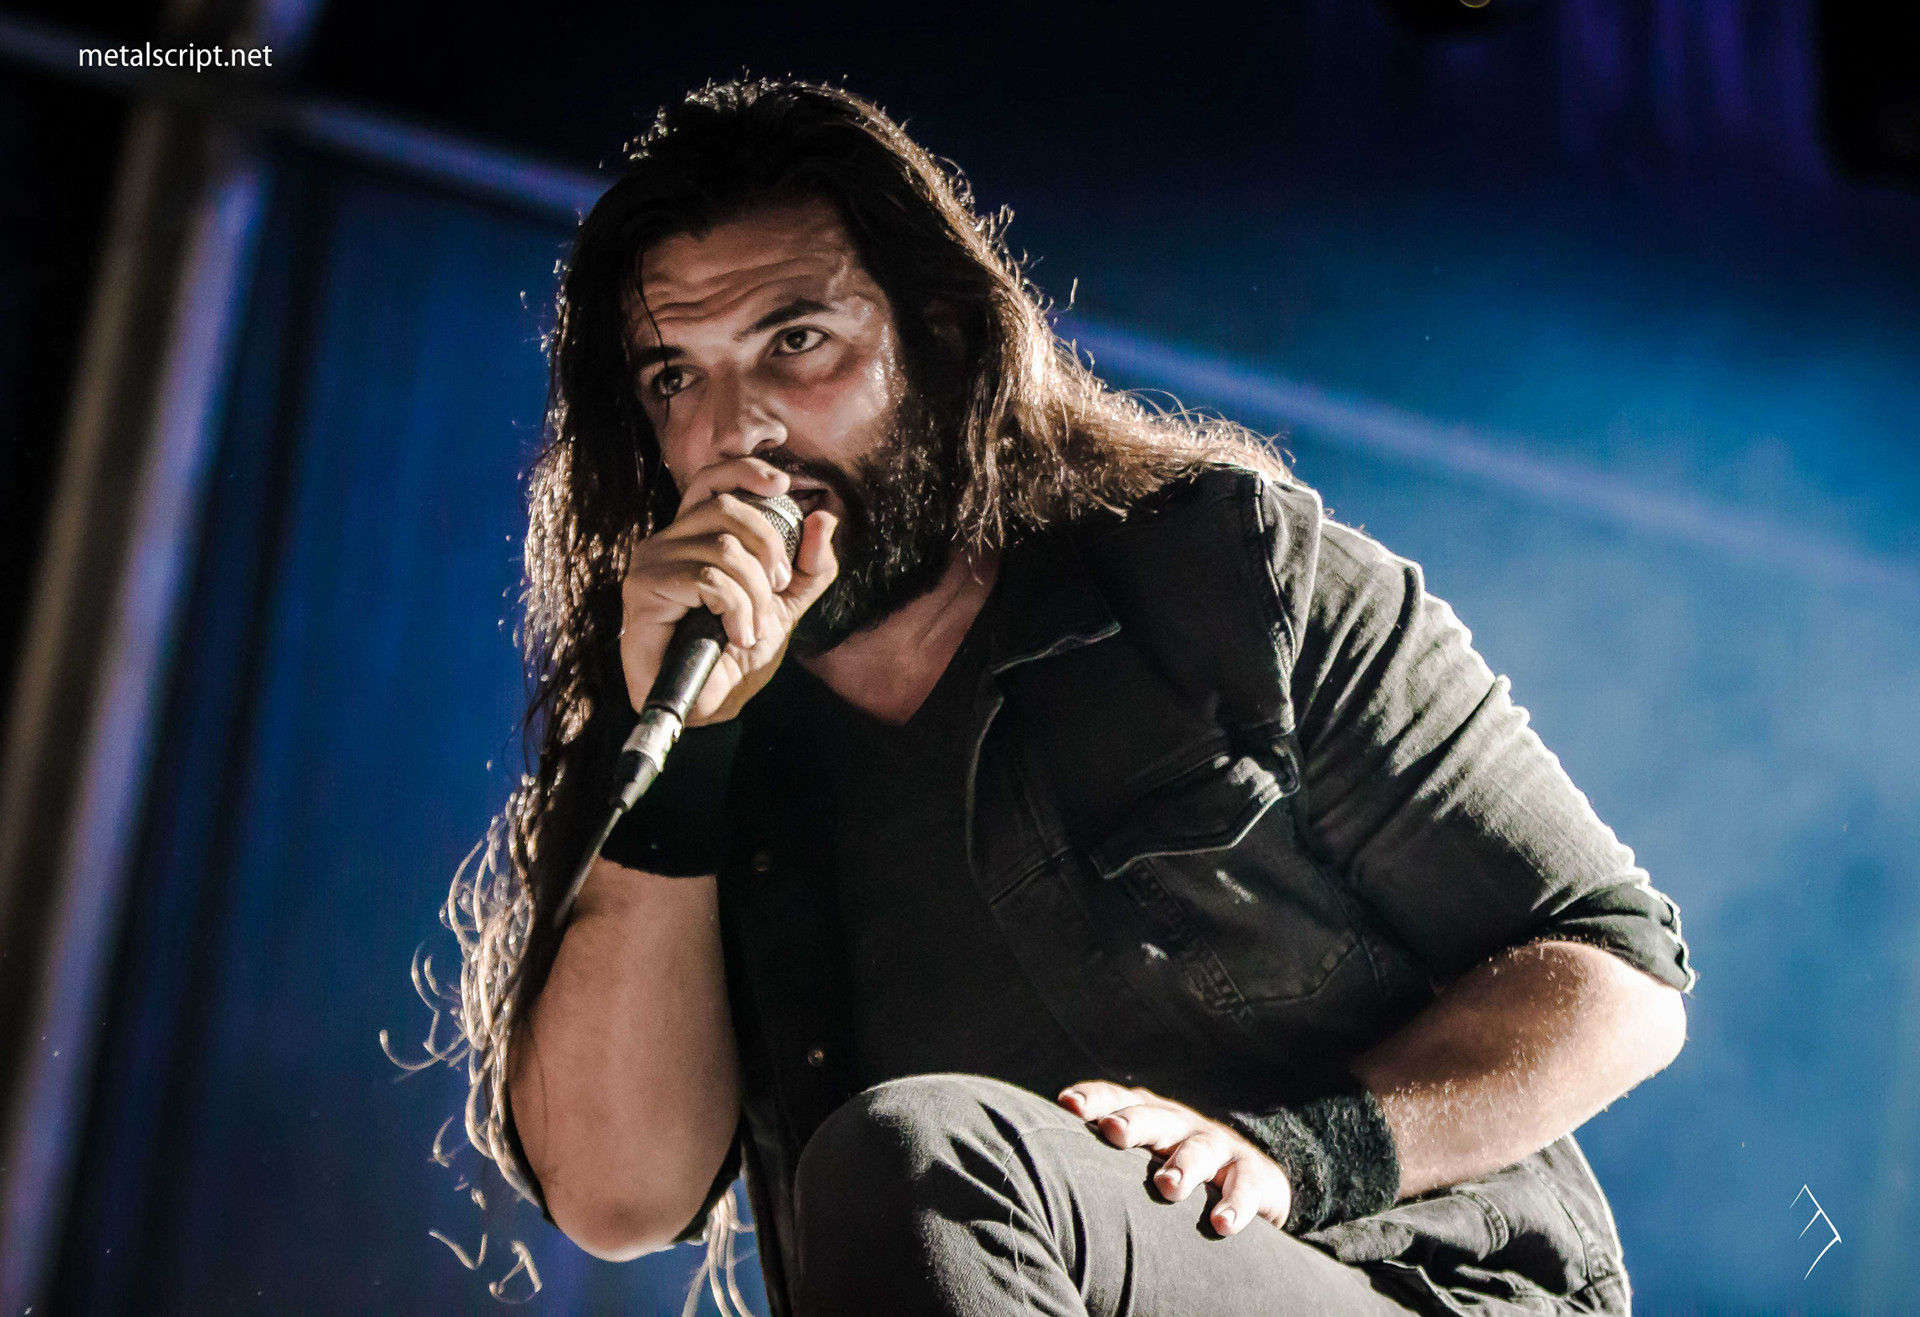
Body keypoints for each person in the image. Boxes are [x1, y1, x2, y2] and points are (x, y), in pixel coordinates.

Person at [447, 78, 1695, 1317]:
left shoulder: (1220, 575)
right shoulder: (691, 736)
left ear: (942, 340)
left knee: (922, 1156)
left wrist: (1302, 1156)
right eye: (676, 378)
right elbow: (618, 1198)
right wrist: (683, 764)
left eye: (797, 343)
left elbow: (1619, 974)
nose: (739, 432)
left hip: (1412, 1290)